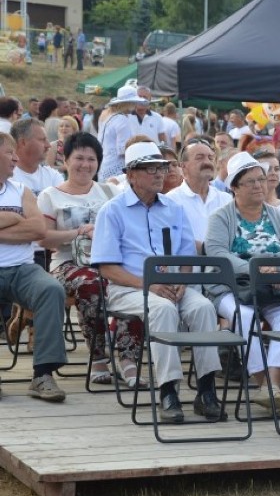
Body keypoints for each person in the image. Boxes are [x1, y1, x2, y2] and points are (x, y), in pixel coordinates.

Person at [91, 142, 225, 423]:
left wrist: (183, 281)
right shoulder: (112, 210)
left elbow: (188, 254)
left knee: (203, 308)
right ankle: (168, 390)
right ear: (131, 174)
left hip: (172, 284)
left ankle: (206, 389)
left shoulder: (174, 208)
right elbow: (106, 267)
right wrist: (147, 285)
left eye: (162, 167)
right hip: (128, 287)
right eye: (150, 168)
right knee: (163, 310)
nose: (159, 173)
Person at [36, 132, 144, 387]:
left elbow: (130, 229)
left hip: (109, 262)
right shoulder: (50, 196)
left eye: (91, 159)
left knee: (132, 281)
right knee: (92, 283)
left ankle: (129, 359)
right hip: (68, 264)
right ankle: (98, 357)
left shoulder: (111, 191)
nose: (85, 165)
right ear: (65, 160)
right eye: (79, 158)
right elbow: (43, 239)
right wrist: (79, 232)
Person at [205, 152, 280, 415]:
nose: (259, 185)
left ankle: (270, 387)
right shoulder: (221, 217)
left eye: (261, 179)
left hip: (273, 287)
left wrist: (277, 267)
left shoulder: (278, 216)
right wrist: (254, 268)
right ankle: (267, 386)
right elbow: (216, 252)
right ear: (234, 187)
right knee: (244, 317)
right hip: (232, 288)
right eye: (250, 181)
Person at [0, 130, 70, 401]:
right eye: (9, 153)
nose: (15, 159)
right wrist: (16, 220)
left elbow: (39, 228)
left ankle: (42, 374)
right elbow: (27, 226)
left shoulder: (21, 190)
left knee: (51, 289)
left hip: (22, 269)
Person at [97, 86, 145, 182]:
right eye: (134, 102)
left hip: (104, 166)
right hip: (117, 168)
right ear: (129, 103)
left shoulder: (110, 117)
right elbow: (123, 149)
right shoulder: (123, 120)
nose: (136, 104)